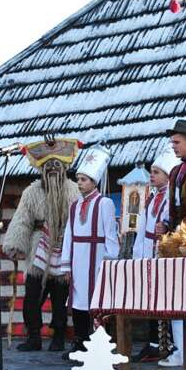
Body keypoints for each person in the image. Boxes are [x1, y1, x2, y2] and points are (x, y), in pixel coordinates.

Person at [2, 137, 80, 352]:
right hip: (37, 251)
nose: (53, 168)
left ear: (64, 167)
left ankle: (58, 337)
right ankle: (34, 336)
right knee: (32, 296)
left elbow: (78, 221)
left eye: (57, 164)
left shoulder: (73, 190)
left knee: (60, 298)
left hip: (62, 248)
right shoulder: (31, 192)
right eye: (48, 165)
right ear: (41, 168)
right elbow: (22, 219)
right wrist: (16, 245)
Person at [61, 145, 119, 359]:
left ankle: (99, 340)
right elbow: (69, 234)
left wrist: (110, 259)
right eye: (78, 179)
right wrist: (66, 264)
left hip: (96, 257)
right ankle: (80, 339)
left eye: (84, 179)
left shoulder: (105, 203)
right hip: (78, 258)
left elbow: (110, 232)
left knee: (96, 298)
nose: (80, 183)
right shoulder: (74, 206)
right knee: (77, 299)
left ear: (94, 181)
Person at [130, 145, 186, 367]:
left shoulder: (172, 197)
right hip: (149, 254)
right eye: (152, 172)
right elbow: (144, 230)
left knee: (166, 300)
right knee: (153, 300)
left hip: (165, 254)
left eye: (156, 172)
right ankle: (155, 342)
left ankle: (168, 344)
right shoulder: (152, 198)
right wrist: (138, 256)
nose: (152, 175)